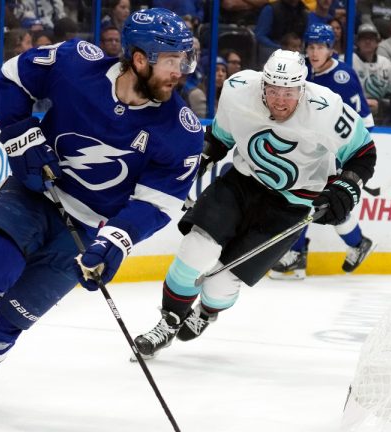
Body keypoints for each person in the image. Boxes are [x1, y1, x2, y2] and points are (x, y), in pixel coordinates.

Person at [0, 8, 203, 426]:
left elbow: (158, 203)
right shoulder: (76, 63)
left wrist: (114, 241)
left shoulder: (181, 131)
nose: (181, 71)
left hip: (87, 228)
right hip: (34, 194)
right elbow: (13, 76)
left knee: (15, 315)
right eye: (172, 60)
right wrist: (20, 135)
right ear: (139, 59)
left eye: (184, 60)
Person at [132, 49, 376, 357]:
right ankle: (167, 323)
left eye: (289, 91)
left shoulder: (326, 108)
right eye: (273, 89)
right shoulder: (238, 89)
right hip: (241, 184)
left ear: (302, 87)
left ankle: (207, 311)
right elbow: (220, 138)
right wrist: (202, 158)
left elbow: (364, 152)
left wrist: (345, 186)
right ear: (263, 84)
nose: (280, 99)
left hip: (292, 205)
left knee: (220, 286)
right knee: (198, 247)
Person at [270, 23, 375, 280]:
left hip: (334, 153)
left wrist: (350, 160)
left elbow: (365, 123)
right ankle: (356, 243)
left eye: (320, 47)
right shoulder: (302, 71)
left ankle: (297, 254)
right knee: (313, 201)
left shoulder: (344, 77)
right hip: (307, 149)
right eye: (311, 46)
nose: (314, 52)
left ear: (330, 49)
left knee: (309, 200)